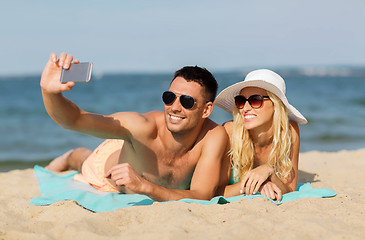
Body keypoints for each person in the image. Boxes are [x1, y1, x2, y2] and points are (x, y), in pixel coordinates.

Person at [41, 52, 228, 202]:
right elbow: (75, 120)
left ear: (206, 110)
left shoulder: (213, 136)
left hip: (133, 152)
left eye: (187, 101)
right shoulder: (141, 126)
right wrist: (50, 93)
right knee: (83, 160)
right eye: (169, 97)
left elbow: (202, 195)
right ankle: (71, 156)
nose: (175, 107)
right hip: (107, 165)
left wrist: (145, 186)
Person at [214, 69, 307, 201]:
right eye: (241, 101)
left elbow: (290, 189)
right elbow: (215, 191)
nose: (245, 108)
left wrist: (269, 172)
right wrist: (257, 184)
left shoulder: (289, 131)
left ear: (276, 105)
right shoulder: (230, 132)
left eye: (255, 100)